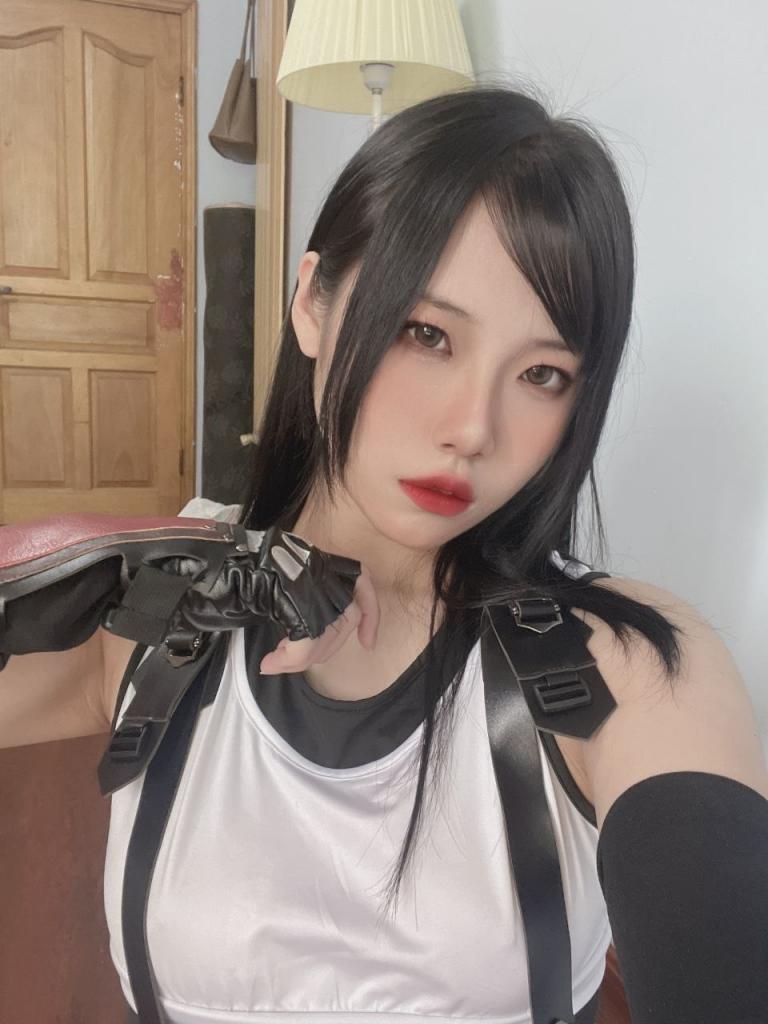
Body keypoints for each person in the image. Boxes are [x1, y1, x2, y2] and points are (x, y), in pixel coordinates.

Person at [1, 83, 767, 1024]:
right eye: (426, 333)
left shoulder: (627, 667)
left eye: (541, 373)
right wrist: (133, 568)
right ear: (311, 303)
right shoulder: (155, 625)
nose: (473, 428)